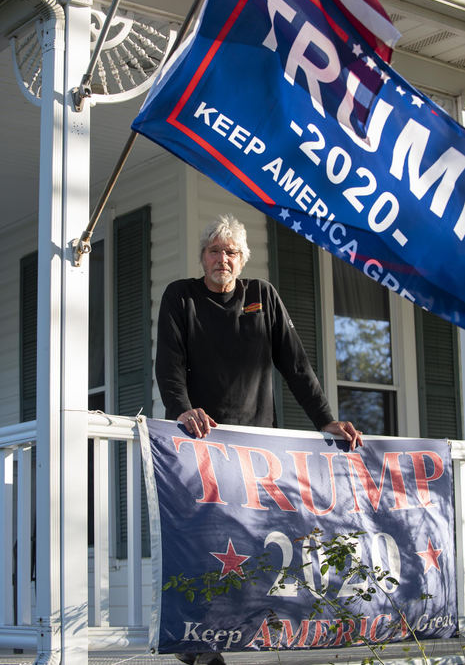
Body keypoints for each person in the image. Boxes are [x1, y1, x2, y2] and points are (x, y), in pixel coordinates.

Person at [155, 214, 363, 665]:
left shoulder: (262, 297)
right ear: (202, 257)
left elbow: (296, 364)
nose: (221, 259)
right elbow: (168, 367)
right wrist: (181, 410)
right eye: (214, 250)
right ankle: (198, 645)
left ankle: (238, 634)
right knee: (203, 544)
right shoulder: (180, 297)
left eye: (230, 252)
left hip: (255, 451)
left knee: (250, 544)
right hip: (201, 446)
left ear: (242, 259)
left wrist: (325, 420)